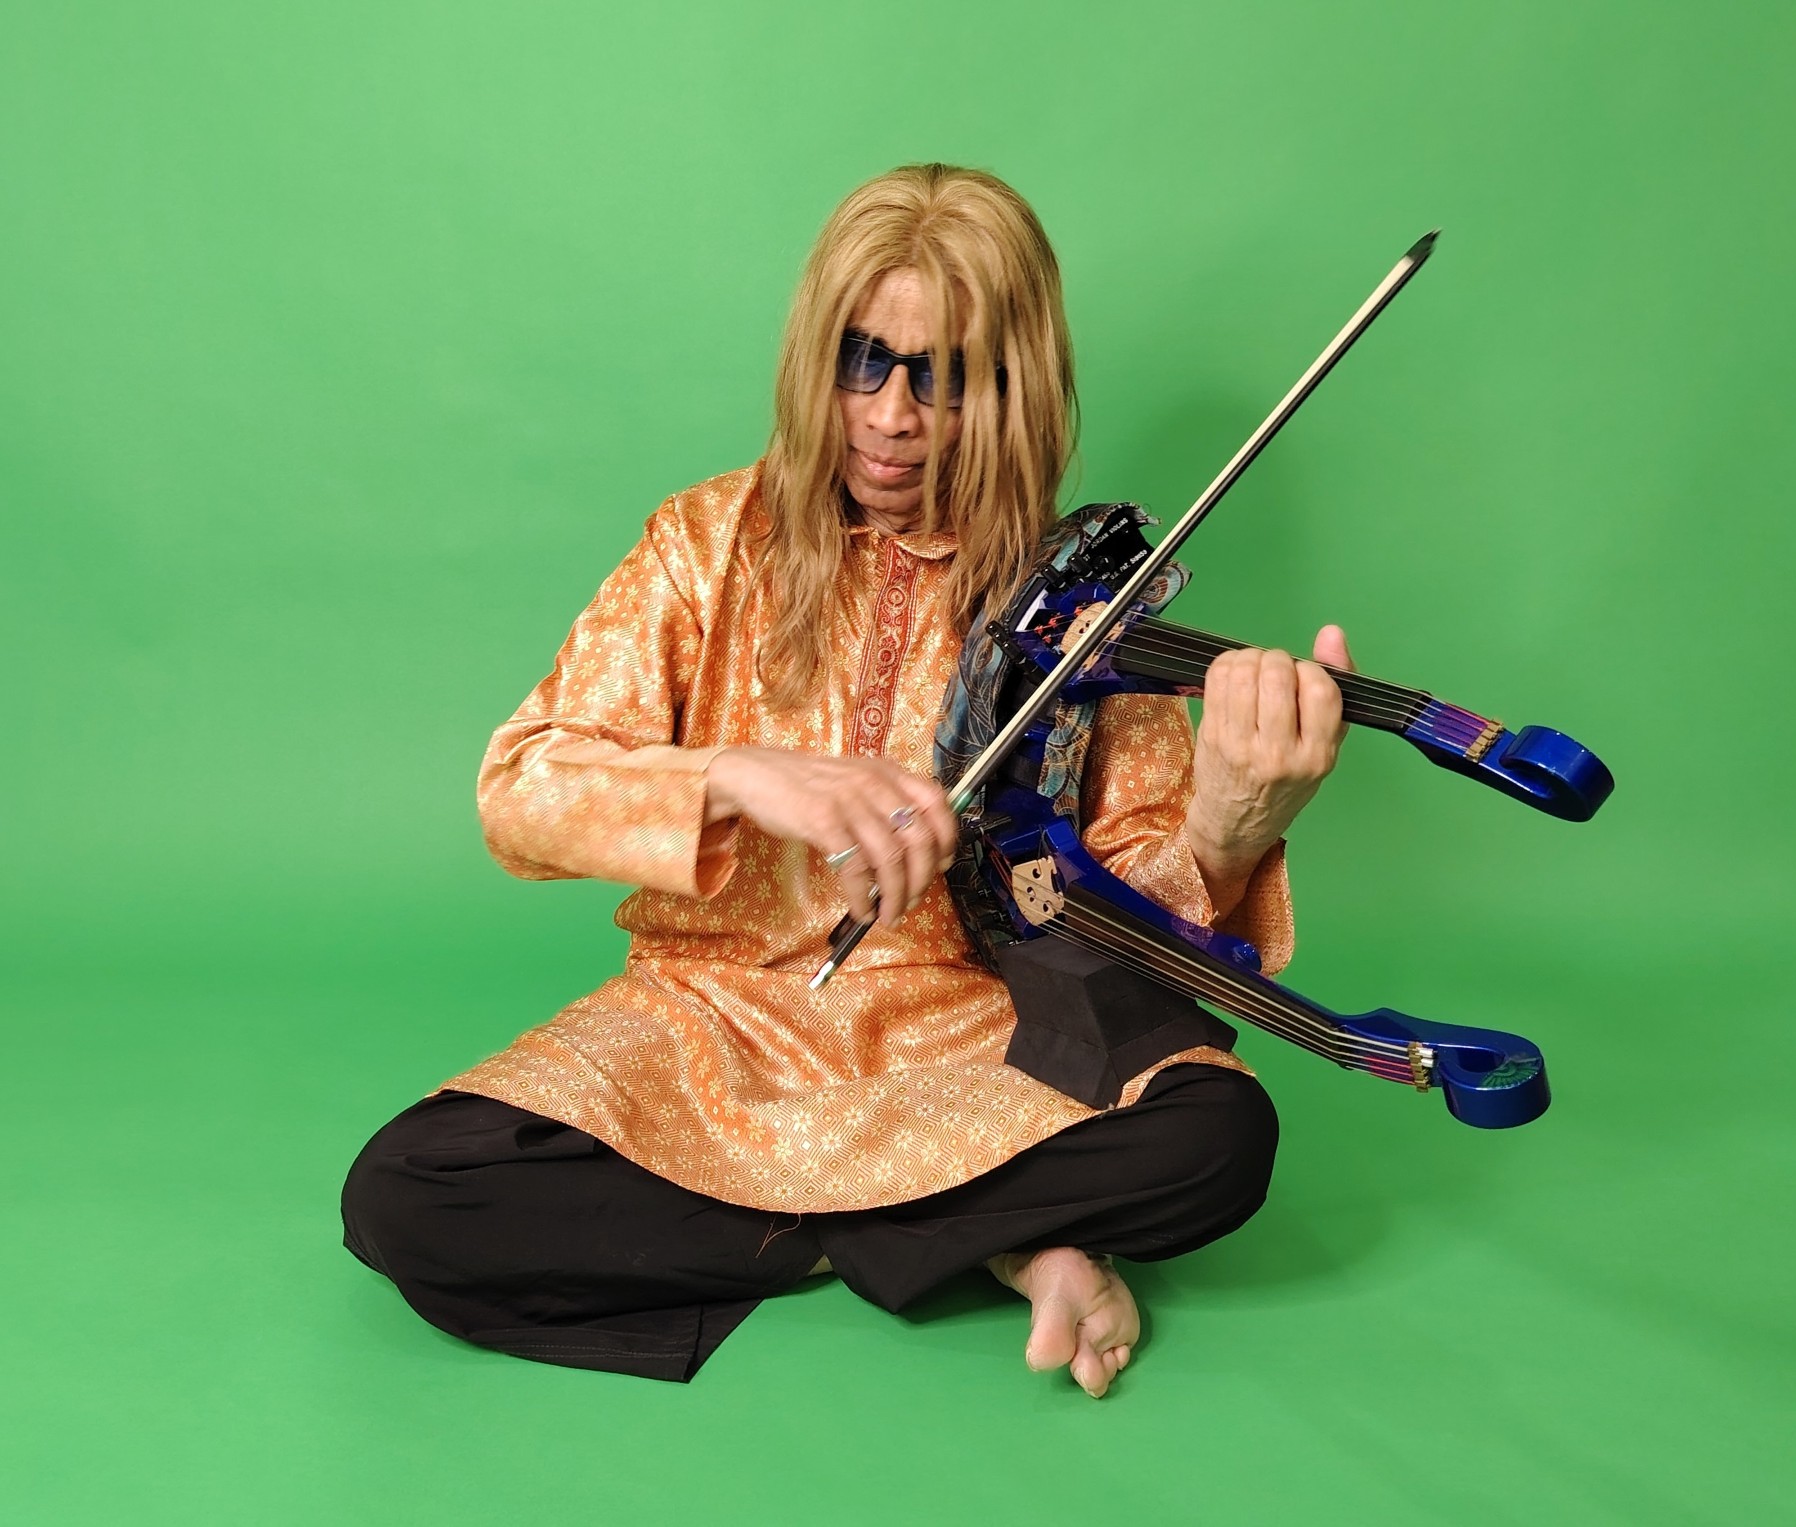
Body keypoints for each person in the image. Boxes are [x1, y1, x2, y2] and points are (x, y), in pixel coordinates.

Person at [341, 164, 1352, 1398]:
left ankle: (865, 1225)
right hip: (708, 1022)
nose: (889, 415)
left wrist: (1231, 825)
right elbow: (521, 786)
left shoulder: (1075, 609)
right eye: (861, 360)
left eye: (943, 376)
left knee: (1218, 1137)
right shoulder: (703, 543)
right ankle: (976, 1235)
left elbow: (1126, 927)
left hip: (973, 1042)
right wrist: (732, 775)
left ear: (1014, 387)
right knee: (411, 1194)